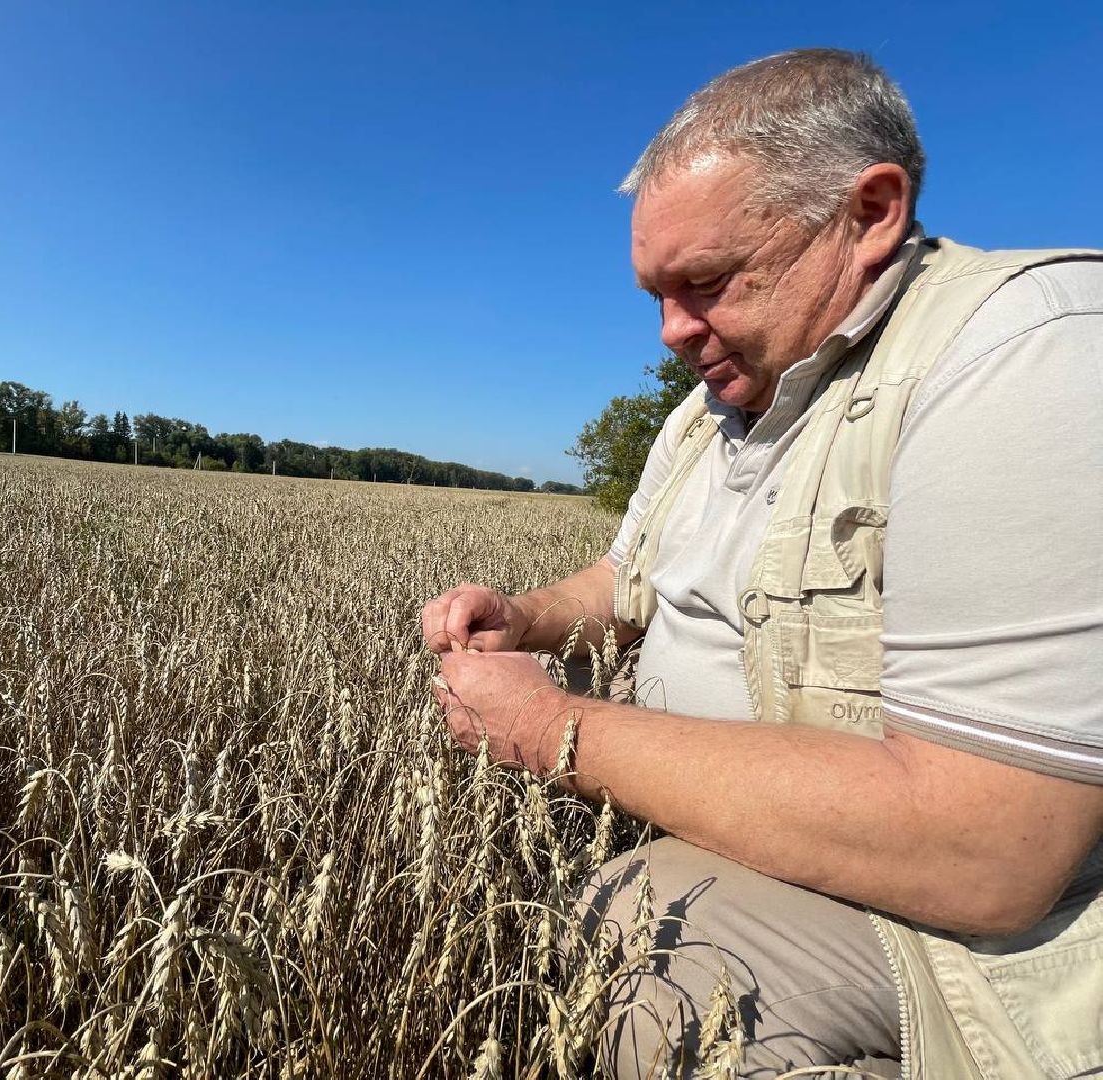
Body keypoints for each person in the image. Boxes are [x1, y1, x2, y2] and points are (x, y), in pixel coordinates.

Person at [421, 48, 1102, 1079]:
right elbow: (633, 580)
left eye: (706, 283)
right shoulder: (716, 409)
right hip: (763, 862)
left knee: (675, 972)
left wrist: (546, 728)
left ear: (869, 213)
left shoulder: (1023, 352)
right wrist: (529, 618)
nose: (672, 333)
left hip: (961, 947)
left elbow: (990, 849)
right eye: (656, 295)